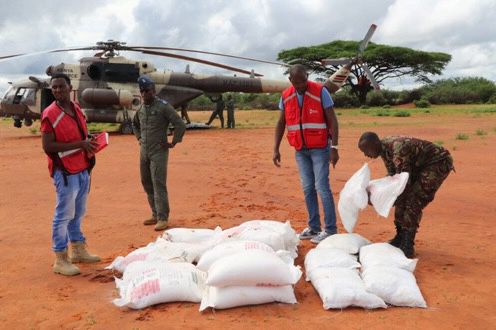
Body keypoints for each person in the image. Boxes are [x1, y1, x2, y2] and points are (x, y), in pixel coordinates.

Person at [41, 73, 101, 276]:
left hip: (82, 166)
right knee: (63, 215)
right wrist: (81, 144)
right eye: (54, 88)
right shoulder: (49, 113)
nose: (57, 90)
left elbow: (79, 132)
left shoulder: (75, 107)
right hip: (65, 171)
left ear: (70, 87)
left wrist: (89, 140)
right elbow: (48, 146)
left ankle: (77, 248)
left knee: (78, 212)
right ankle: (60, 258)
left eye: (61, 86)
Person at [358, 132, 454, 258]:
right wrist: (379, 193)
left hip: (437, 163)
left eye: (366, 150)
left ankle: (408, 244)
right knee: (401, 199)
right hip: (419, 166)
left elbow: (403, 183)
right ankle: (400, 236)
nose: (366, 155)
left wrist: (390, 199)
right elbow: (393, 176)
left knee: (413, 200)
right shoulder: (384, 150)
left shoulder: (398, 149)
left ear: (375, 143)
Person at [273, 64, 340, 244]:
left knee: (322, 187)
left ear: (307, 76)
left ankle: (331, 229)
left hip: (320, 148)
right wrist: (275, 148)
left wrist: (335, 147)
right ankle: (314, 227)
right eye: (296, 82)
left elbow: (333, 120)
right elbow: (281, 123)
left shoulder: (320, 92)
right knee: (308, 188)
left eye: (303, 81)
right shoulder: (286, 96)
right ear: (290, 81)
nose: (300, 85)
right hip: (300, 150)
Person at [133, 75, 186, 231]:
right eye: (142, 91)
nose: (144, 94)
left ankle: (163, 218)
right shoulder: (141, 109)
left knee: (158, 184)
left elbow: (180, 124)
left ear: (153, 91)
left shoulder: (163, 107)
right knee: (147, 183)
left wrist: (174, 141)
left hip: (159, 151)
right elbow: (134, 124)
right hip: (144, 152)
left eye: (147, 91)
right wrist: (139, 138)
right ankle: (155, 214)